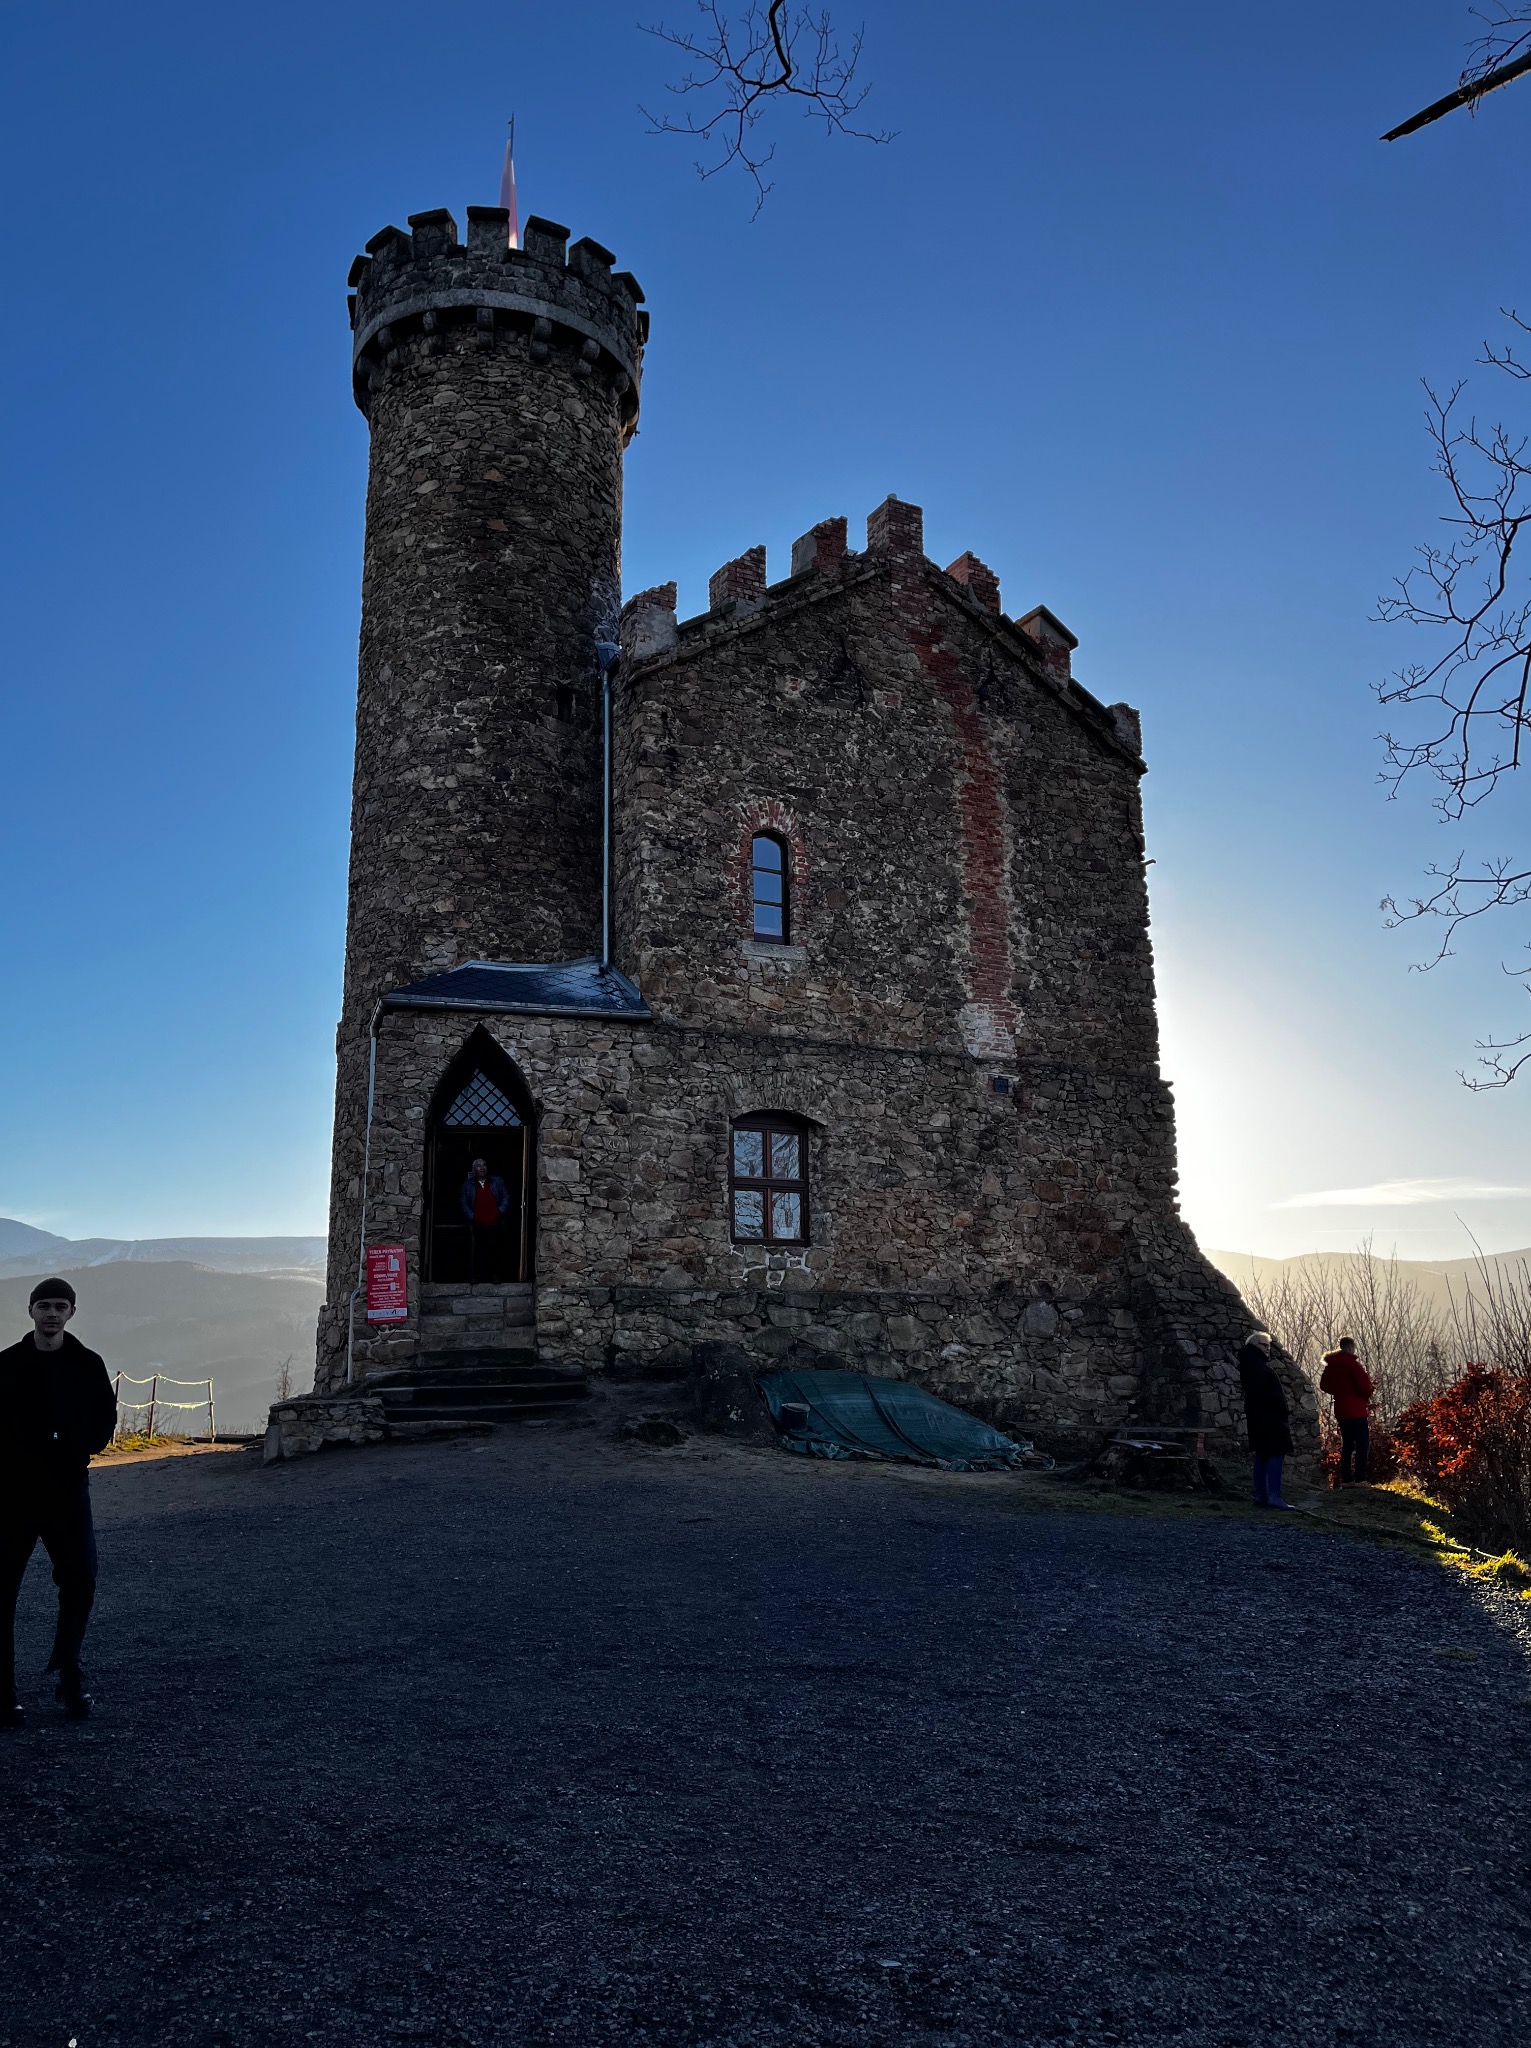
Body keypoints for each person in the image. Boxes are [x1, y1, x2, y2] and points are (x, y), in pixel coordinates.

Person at [1, 1279, 117, 1725]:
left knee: (81, 1579)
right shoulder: (6, 1365)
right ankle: (3, 1694)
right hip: (11, 1494)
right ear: (31, 1311)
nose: (52, 1313)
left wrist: (74, 1448)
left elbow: (104, 1420)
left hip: (67, 1490)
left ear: (71, 1313)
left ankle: (69, 1675)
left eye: (60, 1306)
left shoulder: (88, 1364)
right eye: (44, 1305)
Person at [1236, 1329, 1297, 1510]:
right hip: (1270, 1417)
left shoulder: (1250, 1363)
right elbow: (1265, 1392)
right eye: (1264, 1345)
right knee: (1276, 1453)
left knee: (1262, 1454)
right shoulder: (1258, 1366)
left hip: (1258, 1417)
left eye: (1269, 1345)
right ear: (1255, 1345)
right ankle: (1274, 1496)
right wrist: (1279, 1409)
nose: (1268, 1349)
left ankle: (1261, 1495)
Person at [1320, 1335, 1375, 1487]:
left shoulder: (1331, 1365)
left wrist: (1339, 1391)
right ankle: (1360, 1478)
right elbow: (1365, 1386)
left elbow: (1324, 1385)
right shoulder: (1352, 1365)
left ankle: (1346, 1479)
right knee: (1362, 1444)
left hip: (1341, 1410)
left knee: (1347, 1444)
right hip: (1356, 1410)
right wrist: (1366, 1393)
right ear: (1351, 1348)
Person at [460, 1157, 510, 1282]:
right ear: (473, 1170)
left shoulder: (497, 1181)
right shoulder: (467, 1185)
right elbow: (463, 1204)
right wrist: (473, 1216)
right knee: (478, 1251)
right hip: (477, 1223)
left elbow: (506, 1196)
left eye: (484, 1165)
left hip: (495, 1222)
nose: (482, 1168)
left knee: (495, 1250)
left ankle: (494, 1276)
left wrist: (499, 1211)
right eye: (478, 1165)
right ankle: (476, 1276)